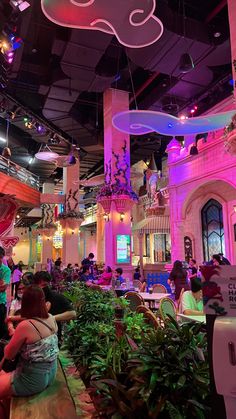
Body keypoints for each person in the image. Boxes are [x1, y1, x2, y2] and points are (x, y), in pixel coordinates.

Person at [0, 286, 59, 399]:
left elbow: (8, 354)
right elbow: (35, 319)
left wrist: (12, 329)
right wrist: (13, 319)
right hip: (51, 373)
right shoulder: (51, 318)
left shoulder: (25, 326)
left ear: (25, 302)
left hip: (32, 379)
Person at [33, 271, 76, 343]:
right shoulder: (31, 297)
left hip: (52, 338)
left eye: (44, 285)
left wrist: (51, 318)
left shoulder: (56, 297)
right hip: (34, 337)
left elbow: (72, 313)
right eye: (39, 285)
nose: (42, 288)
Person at [0, 247, 11, 339]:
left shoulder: (6, 270)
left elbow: (3, 288)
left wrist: (2, 286)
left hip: (0, 303)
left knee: (1, 327)